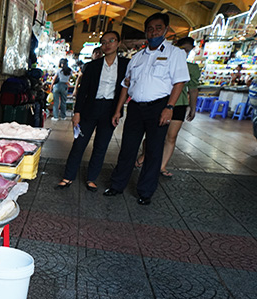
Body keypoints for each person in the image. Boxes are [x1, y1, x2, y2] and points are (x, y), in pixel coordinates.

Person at [104, 13, 189, 205]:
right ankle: (117, 185)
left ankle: (145, 192)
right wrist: (118, 110)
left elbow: (179, 82)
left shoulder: (175, 54)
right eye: (150, 29)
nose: (154, 32)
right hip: (135, 107)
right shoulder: (137, 57)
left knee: (153, 150)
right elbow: (126, 85)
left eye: (158, 28)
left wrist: (169, 107)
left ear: (166, 30)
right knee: (127, 148)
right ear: (146, 31)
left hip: (159, 107)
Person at [55, 31, 129, 192]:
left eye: (111, 41)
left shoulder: (125, 65)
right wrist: (77, 112)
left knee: (101, 146)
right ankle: (68, 176)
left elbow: (127, 87)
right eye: (103, 42)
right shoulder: (93, 65)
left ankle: (92, 178)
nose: (107, 45)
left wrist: (119, 110)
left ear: (118, 42)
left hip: (111, 109)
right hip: (90, 108)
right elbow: (83, 91)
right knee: (79, 143)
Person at [135, 37, 200, 178]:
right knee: (154, 135)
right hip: (161, 102)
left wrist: (193, 107)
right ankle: (145, 155)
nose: (185, 53)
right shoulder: (165, 61)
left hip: (180, 104)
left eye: (188, 51)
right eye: (183, 50)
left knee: (171, 137)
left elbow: (193, 89)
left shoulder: (192, 68)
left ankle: (162, 165)